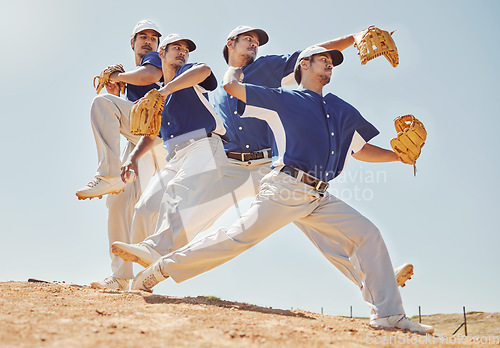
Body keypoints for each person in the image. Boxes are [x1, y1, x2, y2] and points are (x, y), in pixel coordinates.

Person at [129, 46, 434, 334]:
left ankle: (388, 314)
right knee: (235, 238)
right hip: (285, 188)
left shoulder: (340, 109)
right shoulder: (283, 99)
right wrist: (232, 72)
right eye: (322, 58)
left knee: (368, 234)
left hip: (319, 195)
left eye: (332, 61)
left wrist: (399, 155)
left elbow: (361, 149)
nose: (329, 63)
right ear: (304, 64)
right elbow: (235, 90)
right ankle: (161, 269)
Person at [114, 33, 227, 274]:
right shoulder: (158, 96)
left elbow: (205, 70)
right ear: (161, 54)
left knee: (176, 194)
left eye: (185, 49)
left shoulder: (188, 75)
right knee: (144, 208)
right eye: (176, 47)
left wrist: (163, 92)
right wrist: (133, 158)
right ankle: (142, 269)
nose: (182, 52)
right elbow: (152, 133)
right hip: (176, 155)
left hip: (204, 146)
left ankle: (155, 249)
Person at [76, 20, 168, 290]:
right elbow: (133, 95)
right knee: (121, 204)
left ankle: (107, 174)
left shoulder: (155, 60)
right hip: (141, 147)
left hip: (164, 138)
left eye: (153, 37)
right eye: (143, 37)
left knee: (102, 104)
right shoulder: (134, 76)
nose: (148, 41)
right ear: (132, 42)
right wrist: (118, 92)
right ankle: (121, 278)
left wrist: (116, 79)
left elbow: (149, 77)